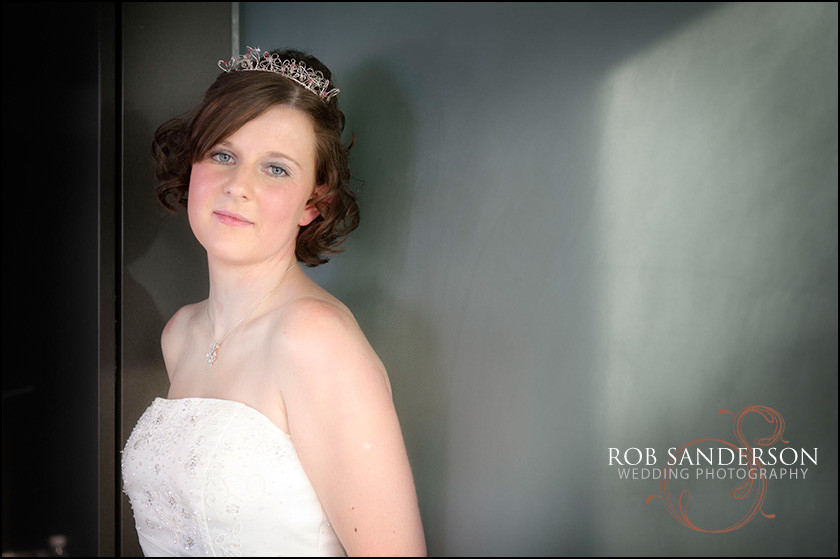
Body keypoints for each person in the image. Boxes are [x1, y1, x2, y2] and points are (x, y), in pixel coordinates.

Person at [122, 46, 426, 557]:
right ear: (192, 165)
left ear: (315, 202)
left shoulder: (313, 339)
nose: (238, 185)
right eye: (223, 154)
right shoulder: (181, 334)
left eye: (277, 169)